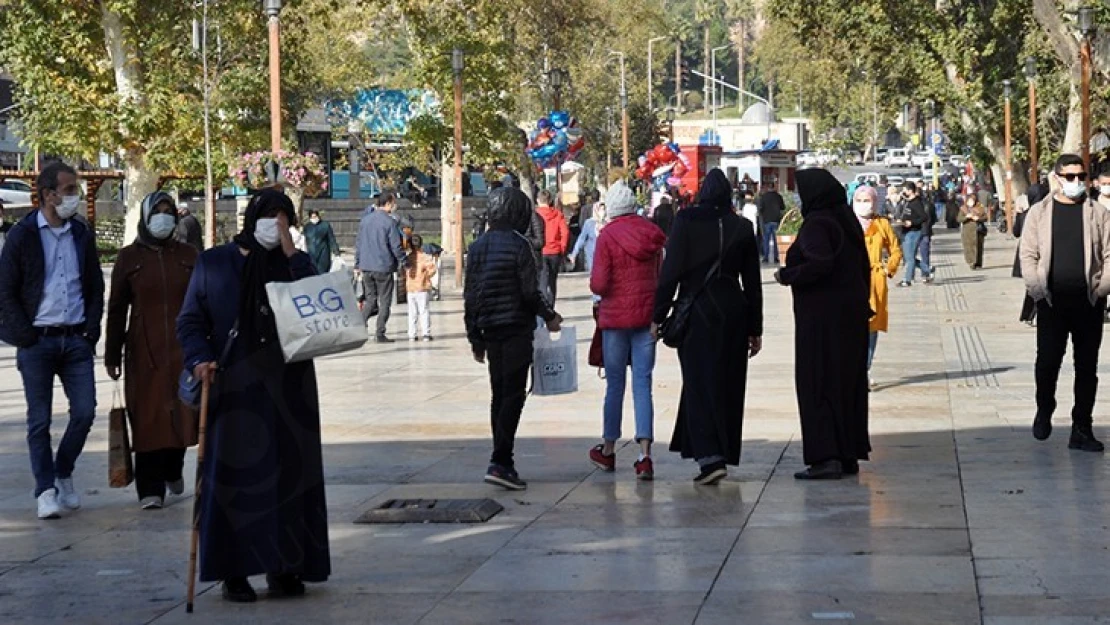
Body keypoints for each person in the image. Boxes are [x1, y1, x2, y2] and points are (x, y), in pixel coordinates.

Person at [176, 188, 330, 602]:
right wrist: (199, 358)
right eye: (269, 217)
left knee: (289, 478)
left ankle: (286, 566)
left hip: (289, 386)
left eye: (284, 218)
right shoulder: (215, 263)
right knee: (235, 480)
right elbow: (190, 320)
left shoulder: (294, 265)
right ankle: (234, 571)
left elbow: (317, 302)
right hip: (234, 384)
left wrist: (290, 249)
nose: (274, 224)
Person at [0, 162, 104, 520]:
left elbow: (94, 285)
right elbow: (5, 291)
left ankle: (63, 472)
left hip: (75, 340)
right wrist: (25, 335)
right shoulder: (23, 235)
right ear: (48, 194)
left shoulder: (80, 233)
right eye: (69, 189)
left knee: (86, 412)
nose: (74, 196)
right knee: (39, 421)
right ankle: (45, 490)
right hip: (37, 342)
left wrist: (91, 329)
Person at [654, 169, 763, 486]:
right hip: (733, 311)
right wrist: (755, 328)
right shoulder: (741, 227)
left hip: (697, 311)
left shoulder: (686, 222)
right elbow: (753, 283)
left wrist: (658, 315)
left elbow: (671, 271)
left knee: (699, 382)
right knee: (727, 384)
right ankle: (719, 451)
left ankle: (709, 457)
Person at [775, 168, 871, 480]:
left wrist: (787, 275)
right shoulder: (845, 221)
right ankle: (846, 453)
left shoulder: (818, 224)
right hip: (850, 318)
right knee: (846, 385)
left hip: (821, 321)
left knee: (819, 383)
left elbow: (820, 263)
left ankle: (826, 456)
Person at [104, 191, 198, 510]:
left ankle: (173, 468)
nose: (163, 216)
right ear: (145, 216)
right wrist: (112, 353)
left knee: (183, 414)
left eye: (168, 211)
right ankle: (149, 489)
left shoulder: (188, 254)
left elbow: (203, 299)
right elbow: (116, 309)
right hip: (145, 353)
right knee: (147, 419)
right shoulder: (129, 258)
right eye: (156, 211)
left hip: (184, 349)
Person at [464, 187, 562, 491]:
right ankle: (501, 460)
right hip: (516, 327)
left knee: (499, 393)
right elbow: (530, 292)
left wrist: (474, 336)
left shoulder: (478, 246)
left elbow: (471, 296)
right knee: (513, 395)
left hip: (490, 329)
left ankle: (501, 459)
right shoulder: (520, 246)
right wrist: (549, 316)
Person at [1020, 154, 1110, 453]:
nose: (1076, 182)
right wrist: (1036, 290)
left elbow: (1109, 254)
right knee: (1047, 363)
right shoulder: (1039, 213)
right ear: (1057, 178)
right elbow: (1028, 255)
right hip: (1051, 302)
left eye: (1081, 176)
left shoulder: (1098, 213)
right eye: (1069, 176)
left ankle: (1081, 428)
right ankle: (1044, 409)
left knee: (1086, 367)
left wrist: (1102, 288)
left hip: (1088, 302)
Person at [587, 182, 666, 480]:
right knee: (643, 384)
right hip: (647, 319)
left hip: (615, 321)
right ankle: (645, 456)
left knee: (615, 385)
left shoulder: (607, 236)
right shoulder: (652, 236)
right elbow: (661, 277)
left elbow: (599, 284)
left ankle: (608, 449)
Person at [852, 186, 902, 388]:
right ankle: (851, 370)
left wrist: (888, 269)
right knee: (851, 329)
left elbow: (895, 250)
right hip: (851, 280)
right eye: (860, 200)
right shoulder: (846, 223)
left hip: (875, 279)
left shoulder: (882, 224)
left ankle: (864, 370)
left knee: (871, 329)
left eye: (867, 200)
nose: (864, 204)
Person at [355, 192, 407, 342]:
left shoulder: (365, 221)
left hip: (366, 266)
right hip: (383, 266)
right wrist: (404, 261)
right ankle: (380, 333)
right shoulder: (390, 222)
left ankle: (360, 326)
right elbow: (396, 246)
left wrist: (358, 263)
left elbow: (359, 243)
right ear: (389, 203)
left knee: (370, 300)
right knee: (385, 301)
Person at [897, 182, 935, 287]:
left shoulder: (916, 202)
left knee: (910, 258)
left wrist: (912, 223)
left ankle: (907, 280)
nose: (903, 192)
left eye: (904, 190)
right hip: (905, 231)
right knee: (908, 256)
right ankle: (928, 268)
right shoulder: (906, 201)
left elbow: (924, 217)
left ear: (910, 191)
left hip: (913, 232)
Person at [535, 190, 569, 303]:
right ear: (549, 201)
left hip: (541, 251)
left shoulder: (535, 215)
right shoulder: (558, 215)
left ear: (538, 200)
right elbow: (565, 232)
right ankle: (551, 306)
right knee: (552, 281)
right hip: (555, 251)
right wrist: (562, 248)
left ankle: (544, 308)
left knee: (542, 282)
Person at [404, 234, 437, 342]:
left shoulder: (407, 258)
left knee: (412, 312)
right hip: (422, 287)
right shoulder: (425, 257)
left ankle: (412, 334)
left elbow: (404, 270)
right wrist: (426, 276)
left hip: (410, 288)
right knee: (424, 311)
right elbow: (432, 270)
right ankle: (426, 334)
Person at [568, 201, 604, 273]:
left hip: (604, 254)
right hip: (592, 254)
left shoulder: (607, 223)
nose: (602, 212)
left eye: (603, 209)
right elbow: (582, 238)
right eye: (600, 209)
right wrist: (574, 253)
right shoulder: (589, 223)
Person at [958, 194, 988, 270]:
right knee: (969, 247)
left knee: (979, 247)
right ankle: (971, 263)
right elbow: (959, 219)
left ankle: (978, 263)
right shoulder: (963, 208)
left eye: (972, 200)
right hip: (968, 232)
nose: (971, 202)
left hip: (979, 231)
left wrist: (978, 218)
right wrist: (966, 217)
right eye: (969, 201)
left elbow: (985, 217)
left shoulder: (980, 208)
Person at [758, 183, 785, 264]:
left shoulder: (764, 197)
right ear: (774, 187)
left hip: (767, 220)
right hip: (776, 220)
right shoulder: (778, 196)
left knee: (766, 239)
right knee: (776, 239)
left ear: (767, 188)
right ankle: (776, 258)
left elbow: (760, 208)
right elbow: (783, 207)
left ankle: (766, 257)